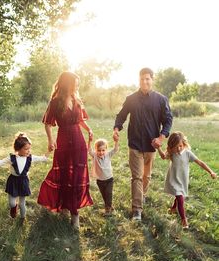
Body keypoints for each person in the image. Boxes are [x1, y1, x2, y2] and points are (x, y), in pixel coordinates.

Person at [113, 67, 173, 221]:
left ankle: (142, 195)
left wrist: (161, 137)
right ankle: (137, 210)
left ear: (152, 80)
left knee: (146, 176)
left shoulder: (161, 100)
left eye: (147, 79)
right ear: (138, 80)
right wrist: (116, 128)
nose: (144, 81)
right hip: (134, 143)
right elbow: (121, 116)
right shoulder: (131, 98)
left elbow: (168, 120)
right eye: (142, 79)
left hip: (152, 145)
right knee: (137, 177)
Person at [37, 71, 93, 229]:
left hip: (78, 141)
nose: (77, 86)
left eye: (77, 83)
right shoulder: (55, 102)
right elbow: (47, 123)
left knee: (77, 175)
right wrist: (50, 139)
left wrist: (88, 129)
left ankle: (75, 213)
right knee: (63, 174)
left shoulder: (76, 99)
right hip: (63, 140)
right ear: (67, 83)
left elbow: (80, 119)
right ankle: (64, 205)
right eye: (74, 83)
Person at [158, 131, 217, 229]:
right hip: (173, 179)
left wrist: (211, 172)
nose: (178, 149)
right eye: (176, 147)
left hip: (183, 180)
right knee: (180, 199)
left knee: (180, 196)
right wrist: (158, 148)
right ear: (172, 146)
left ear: (183, 143)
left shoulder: (187, 153)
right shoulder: (172, 152)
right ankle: (184, 220)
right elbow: (163, 157)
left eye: (180, 146)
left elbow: (200, 163)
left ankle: (173, 208)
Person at [0, 132, 48, 222]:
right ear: (18, 149)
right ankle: (13, 208)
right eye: (26, 149)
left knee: (22, 203)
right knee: (12, 202)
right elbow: (0, 163)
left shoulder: (30, 157)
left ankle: (22, 218)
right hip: (13, 181)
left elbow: (42, 158)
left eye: (29, 149)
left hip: (23, 181)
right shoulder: (11, 158)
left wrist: (49, 151)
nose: (28, 151)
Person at [88, 137, 119, 216]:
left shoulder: (108, 154)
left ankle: (108, 210)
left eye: (103, 150)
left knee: (108, 193)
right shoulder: (94, 155)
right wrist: (89, 141)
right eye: (99, 150)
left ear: (106, 150)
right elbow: (89, 150)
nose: (101, 152)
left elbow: (115, 149)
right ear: (96, 150)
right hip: (100, 180)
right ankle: (109, 207)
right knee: (104, 195)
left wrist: (116, 141)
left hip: (109, 179)